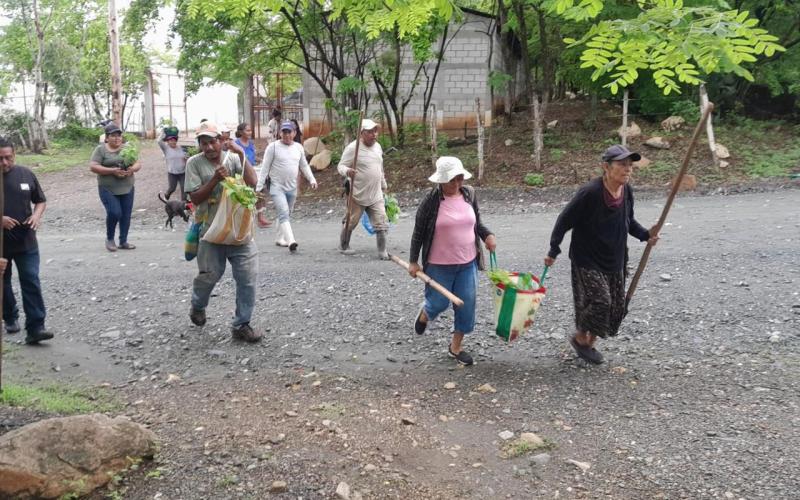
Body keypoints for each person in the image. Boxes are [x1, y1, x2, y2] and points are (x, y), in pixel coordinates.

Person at [544, 144, 660, 364]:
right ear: (606, 167)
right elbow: (564, 220)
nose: (628, 170)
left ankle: (590, 343)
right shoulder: (590, 192)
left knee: (616, 307)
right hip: (587, 258)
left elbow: (628, 222)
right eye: (622, 165)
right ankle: (580, 338)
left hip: (615, 258)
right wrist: (554, 248)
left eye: (630, 165)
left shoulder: (627, 191)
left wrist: (646, 235)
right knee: (600, 301)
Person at [408, 157, 496, 366]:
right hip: (439, 264)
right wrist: (413, 261)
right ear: (440, 181)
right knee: (439, 303)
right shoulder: (430, 202)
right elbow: (418, 233)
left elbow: (476, 224)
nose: (456, 184)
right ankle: (425, 313)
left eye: (459, 178)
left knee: (466, 304)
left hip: (468, 263)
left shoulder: (468, 194)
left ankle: (455, 347)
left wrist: (487, 236)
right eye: (451, 180)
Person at [184, 121, 262, 343]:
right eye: (203, 143)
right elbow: (195, 198)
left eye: (212, 142)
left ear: (221, 141)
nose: (209, 147)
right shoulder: (194, 164)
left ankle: (241, 324)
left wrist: (240, 153)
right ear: (199, 145)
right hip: (211, 230)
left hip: (239, 230)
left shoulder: (234, 158)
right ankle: (198, 305)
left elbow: (253, 182)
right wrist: (215, 179)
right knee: (209, 275)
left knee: (247, 278)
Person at [0, 137, 52, 344]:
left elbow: (40, 200)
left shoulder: (25, 174)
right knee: (3, 282)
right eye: (0, 158)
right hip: (1, 244)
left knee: (31, 279)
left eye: (8, 157)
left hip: (26, 240)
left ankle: (36, 327)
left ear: (14, 155)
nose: (4, 163)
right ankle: (10, 316)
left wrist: (36, 216)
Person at [256, 121, 318, 252]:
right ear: (280, 133)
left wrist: (312, 179)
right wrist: (259, 186)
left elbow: (304, 166)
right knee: (283, 212)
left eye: (289, 132)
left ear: (294, 133)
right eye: (284, 132)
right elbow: (265, 168)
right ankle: (291, 241)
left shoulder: (298, 148)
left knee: (286, 213)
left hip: (292, 187)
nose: (287, 135)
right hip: (277, 186)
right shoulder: (272, 147)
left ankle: (280, 238)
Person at [337, 119, 390, 260]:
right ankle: (344, 245)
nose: (374, 134)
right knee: (351, 221)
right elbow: (340, 166)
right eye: (370, 132)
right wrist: (347, 171)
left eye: (375, 131)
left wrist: (383, 184)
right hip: (357, 193)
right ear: (362, 133)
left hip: (375, 193)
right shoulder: (352, 148)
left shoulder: (378, 147)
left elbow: (380, 168)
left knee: (381, 221)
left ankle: (382, 251)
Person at [89, 123, 141, 252]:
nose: (117, 138)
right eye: (113, 135)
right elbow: (93, 166)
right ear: (107, 138)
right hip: (108, 188)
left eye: (119, 135)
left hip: (127, 187)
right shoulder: (100, 150)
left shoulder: (127, 148)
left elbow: (137, 163)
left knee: (126, 215)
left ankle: (123, 241)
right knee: (114, 212)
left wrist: (131, 169)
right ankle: (110, 239)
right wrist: (112, 171)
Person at [157, 128, 188, 200]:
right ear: (167, 141)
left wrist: (186, 159)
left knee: (184, 188)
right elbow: (159, 141)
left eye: (174, 140)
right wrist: (163, 132)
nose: (173, 142)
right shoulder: (166, 149)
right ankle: (167, 195)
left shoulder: (181, 148)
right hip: (172, 173)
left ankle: (183, 204)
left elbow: (186, 158)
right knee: (172, 188)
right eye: (171, 140)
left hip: (182, 172)